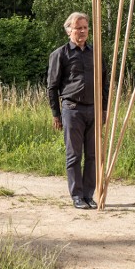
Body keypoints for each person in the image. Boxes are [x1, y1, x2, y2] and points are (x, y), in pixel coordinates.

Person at [47, 12, 108, 210]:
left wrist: (104, 108)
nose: (82, 31)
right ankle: (76, 196)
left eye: (84, 27)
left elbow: (105, 82)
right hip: (72, 109)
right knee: (74, 154)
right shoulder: (60, 54)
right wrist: (56, 114)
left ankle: (89, 195)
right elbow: (52, 86)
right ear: (69, 31)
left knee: (92, 154)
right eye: (77, 28)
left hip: (93, 109)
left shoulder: (95, 53)